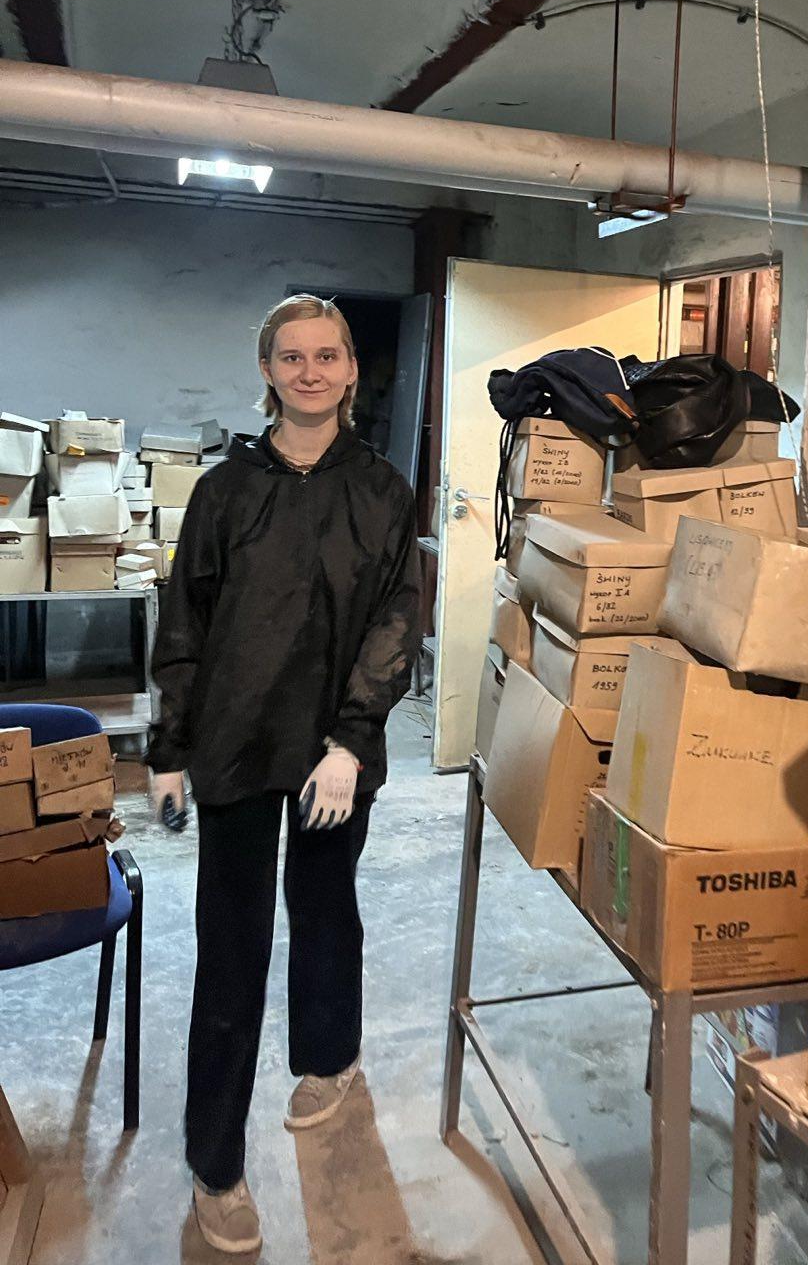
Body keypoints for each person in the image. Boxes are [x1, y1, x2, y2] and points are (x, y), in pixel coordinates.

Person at [146, 293, 420, 1255]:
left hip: (333, 752)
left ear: (351, 371)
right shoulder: (224, 491)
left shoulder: (384, 492)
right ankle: (215, 1166)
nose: (310, 371)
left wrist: (353, 737)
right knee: (230, 949)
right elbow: (184, 620)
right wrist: (170, 745)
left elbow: (396, 618)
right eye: (291, 356)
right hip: (232, 741)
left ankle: (329, 1058)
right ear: (267, 370)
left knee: (325, 905)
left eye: (328, 355)